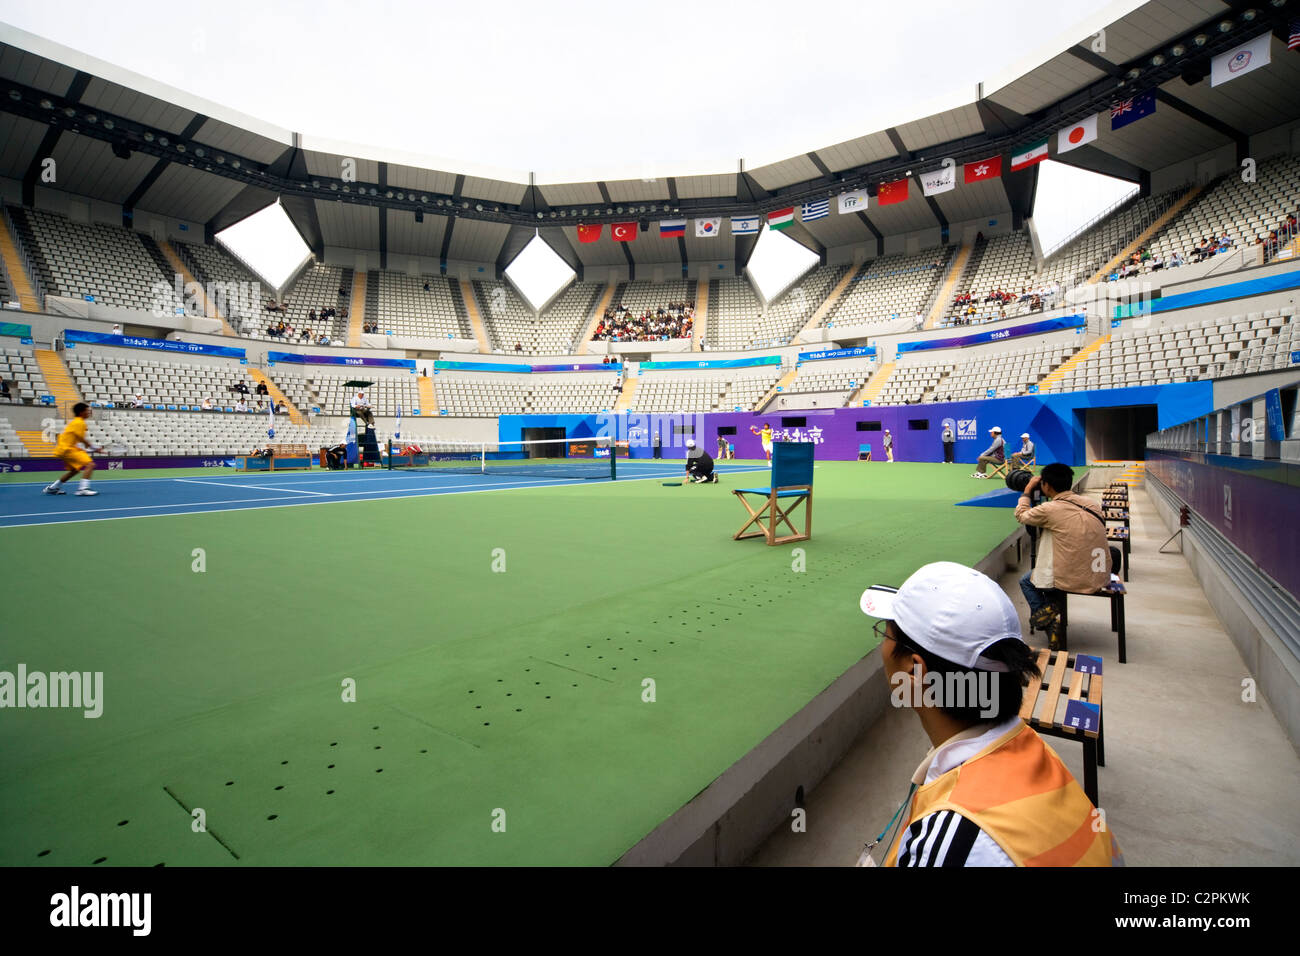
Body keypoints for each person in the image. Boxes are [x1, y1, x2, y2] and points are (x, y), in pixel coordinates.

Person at [858, 561, 1122, 867]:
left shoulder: (952, 845)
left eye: (886, 634)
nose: (883, 647)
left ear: (916, 670)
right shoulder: (1033, 751)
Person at [1014, 463, 1111, 649]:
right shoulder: (1092, 503)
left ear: (1047, 485)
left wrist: (1027, 490)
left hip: (1071, 577)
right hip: (1100, 574)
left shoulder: (1050, 509)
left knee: (1028, 581)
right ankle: (1051, 612)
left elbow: (1022, 515)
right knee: (1053, 568)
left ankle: (1050, 620)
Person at [43, 402, 104, 497]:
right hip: (67, 449)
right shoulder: (80, 423)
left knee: (75, 470)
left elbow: (74, 439)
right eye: (87, 411)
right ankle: (83, 489)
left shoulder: (76, 422)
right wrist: (94, 448)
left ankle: (52, 488)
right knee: (90, 464)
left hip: (63, 449)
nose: (89, 412)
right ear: (81, 412)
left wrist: (88, 449)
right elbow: (81, 438)